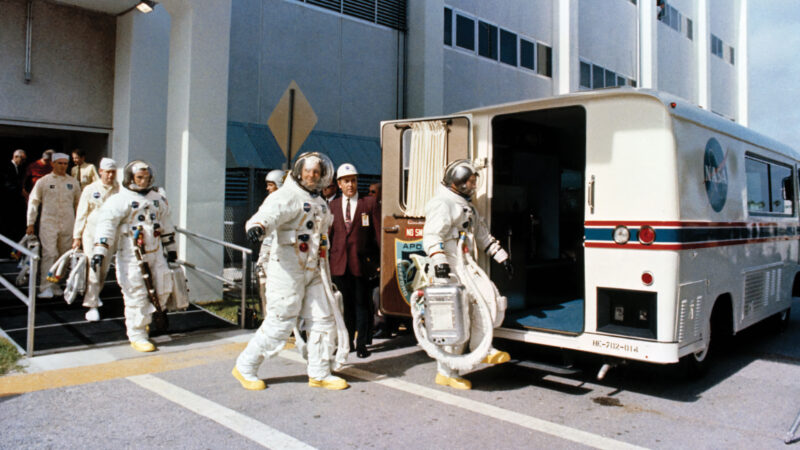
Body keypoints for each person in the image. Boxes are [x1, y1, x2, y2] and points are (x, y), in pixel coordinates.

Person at [233, 152, 348, 391]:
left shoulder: (319, 201)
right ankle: (245, 366)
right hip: (287, 268)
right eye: (308, 171)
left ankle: (319, 372)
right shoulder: (286, 195)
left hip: (314, 268)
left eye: (317, 172)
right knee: (281, 321)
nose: (312, 175)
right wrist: (257, 227)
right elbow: (267, 215)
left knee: (323, 320)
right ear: (299, 172)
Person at [422, 159, 514, 390]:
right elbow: (432, 236)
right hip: (448, 264)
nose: (473, 186)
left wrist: (501, 256)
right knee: (454, 316)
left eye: (474, 182)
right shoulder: (443, 203)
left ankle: (481, 348)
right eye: (469, 182)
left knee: (489, 299)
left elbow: (482, 235)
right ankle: (447, 371)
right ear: (457, 182)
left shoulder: (467, 206)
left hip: (464, 263)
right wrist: (440, 261)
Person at [91, 160, 177, 352]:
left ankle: (149, 319)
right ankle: (137, 334)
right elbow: (106, 225)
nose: (144, 181)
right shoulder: (119, 200)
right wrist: (100, 250)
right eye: (139, 177)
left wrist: (171, 247)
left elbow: (166, 223)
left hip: (156, 254)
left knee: (163, 289)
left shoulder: (157, 198)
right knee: (136, 293)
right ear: (130, 178)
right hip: (132, 255)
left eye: (146, 177)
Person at [329, 163, 381, 358]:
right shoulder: (332, 206)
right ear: (339, 184)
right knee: (345, 306)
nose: (350, 185)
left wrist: (377, 262)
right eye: (346, 181)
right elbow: (329, 235)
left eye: (353, 180)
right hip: (339, 264)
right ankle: (347, 342)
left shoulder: (369, 204)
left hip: (361, 263)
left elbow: (377, 234)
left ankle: (362, 344)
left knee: (362, 305)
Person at [25, 152, 81, 298]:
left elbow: (79, 205)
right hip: (48, 222)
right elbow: (34, 202)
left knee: (63, 255)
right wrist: (30, 223)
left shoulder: (73, 182)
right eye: (59, 163)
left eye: (65, 164)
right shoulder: (43, 181)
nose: (62, 166)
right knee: (50, 253)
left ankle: (56, 283)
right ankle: (45, 287)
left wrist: (80, 228)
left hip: (68, 223)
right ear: (53, 164)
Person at [72, 158, 120, 322]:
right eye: (107, 172)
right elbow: (81, 213)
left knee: (104, 269)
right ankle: (92, 305)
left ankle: (95, 294)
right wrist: (76, 236)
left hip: (109, 235)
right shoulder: (90, 189)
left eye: (113, 172)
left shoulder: (119, 190)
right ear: (100, 172)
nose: (110, 175)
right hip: (91, 234)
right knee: (94, 266)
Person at [251, 169, 285, 312]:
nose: (267, 188)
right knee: (263, 280)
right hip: (267, 247)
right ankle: (267, 317)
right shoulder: (269, 201)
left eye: (271, 185)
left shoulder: (286, 202)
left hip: (280, 251)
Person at [2, 149, 27, 255]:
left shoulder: (18, 169)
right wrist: (20, 191)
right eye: (22, 159)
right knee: (6, 229)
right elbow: (6, 184)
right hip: (7, 204)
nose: (23, 162)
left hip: (15, 205)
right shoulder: (6, 167)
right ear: (16, 157)